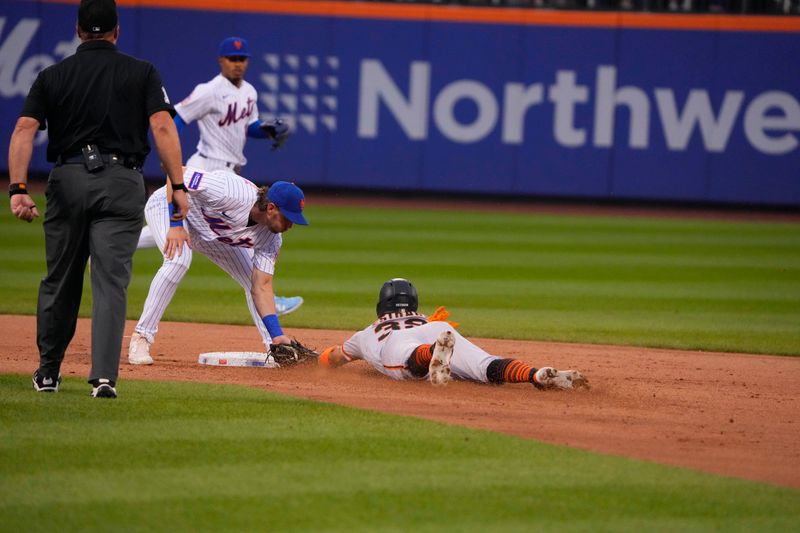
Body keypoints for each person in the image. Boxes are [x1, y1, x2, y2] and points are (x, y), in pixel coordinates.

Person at [7, 0, 188, 399]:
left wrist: (18, 189)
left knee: (60, 279)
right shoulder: (142, 72)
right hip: (123, 180)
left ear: (77, 31)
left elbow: (23, 128)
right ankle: (104, 378)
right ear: (116, 32)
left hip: (68, 179)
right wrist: (178, 185)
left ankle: (49, 372)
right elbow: (161, 124)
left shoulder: (52, 75)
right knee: (110, 282)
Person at [136, 35, 303, 317]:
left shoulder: (249, 91)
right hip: (207, 168)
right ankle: (266, 296)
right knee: (197, 230)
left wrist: (267, 129)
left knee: (182, 231)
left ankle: (113, 243)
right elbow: (177, 118)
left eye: (243, 59)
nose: (238, 64)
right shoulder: (209, 91)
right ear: (221, 61)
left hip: (231, 169)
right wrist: (170, 158)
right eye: (232, 59)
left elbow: (248, 127)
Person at [127, 166, 308, 365]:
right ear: (271, 208)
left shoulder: (271, 240)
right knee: (178, 260)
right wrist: (176, 224)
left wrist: (278, 334)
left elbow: (262, 287)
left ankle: (274, 347)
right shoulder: (230, 191)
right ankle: (141, 337)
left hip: (211, 234)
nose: (290, 225)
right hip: (170, 207)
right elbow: (177, 173)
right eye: (288, 218)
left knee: (252, 280)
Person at [318, 279, 589, 390]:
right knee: (486, 366)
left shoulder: (368, 332)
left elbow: (335, 358)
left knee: (410, 362)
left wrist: (318, 358)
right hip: (438, 330)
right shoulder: (425, 318)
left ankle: (431, 355)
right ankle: (535, 374)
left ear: (381, 306)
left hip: (398, 343)